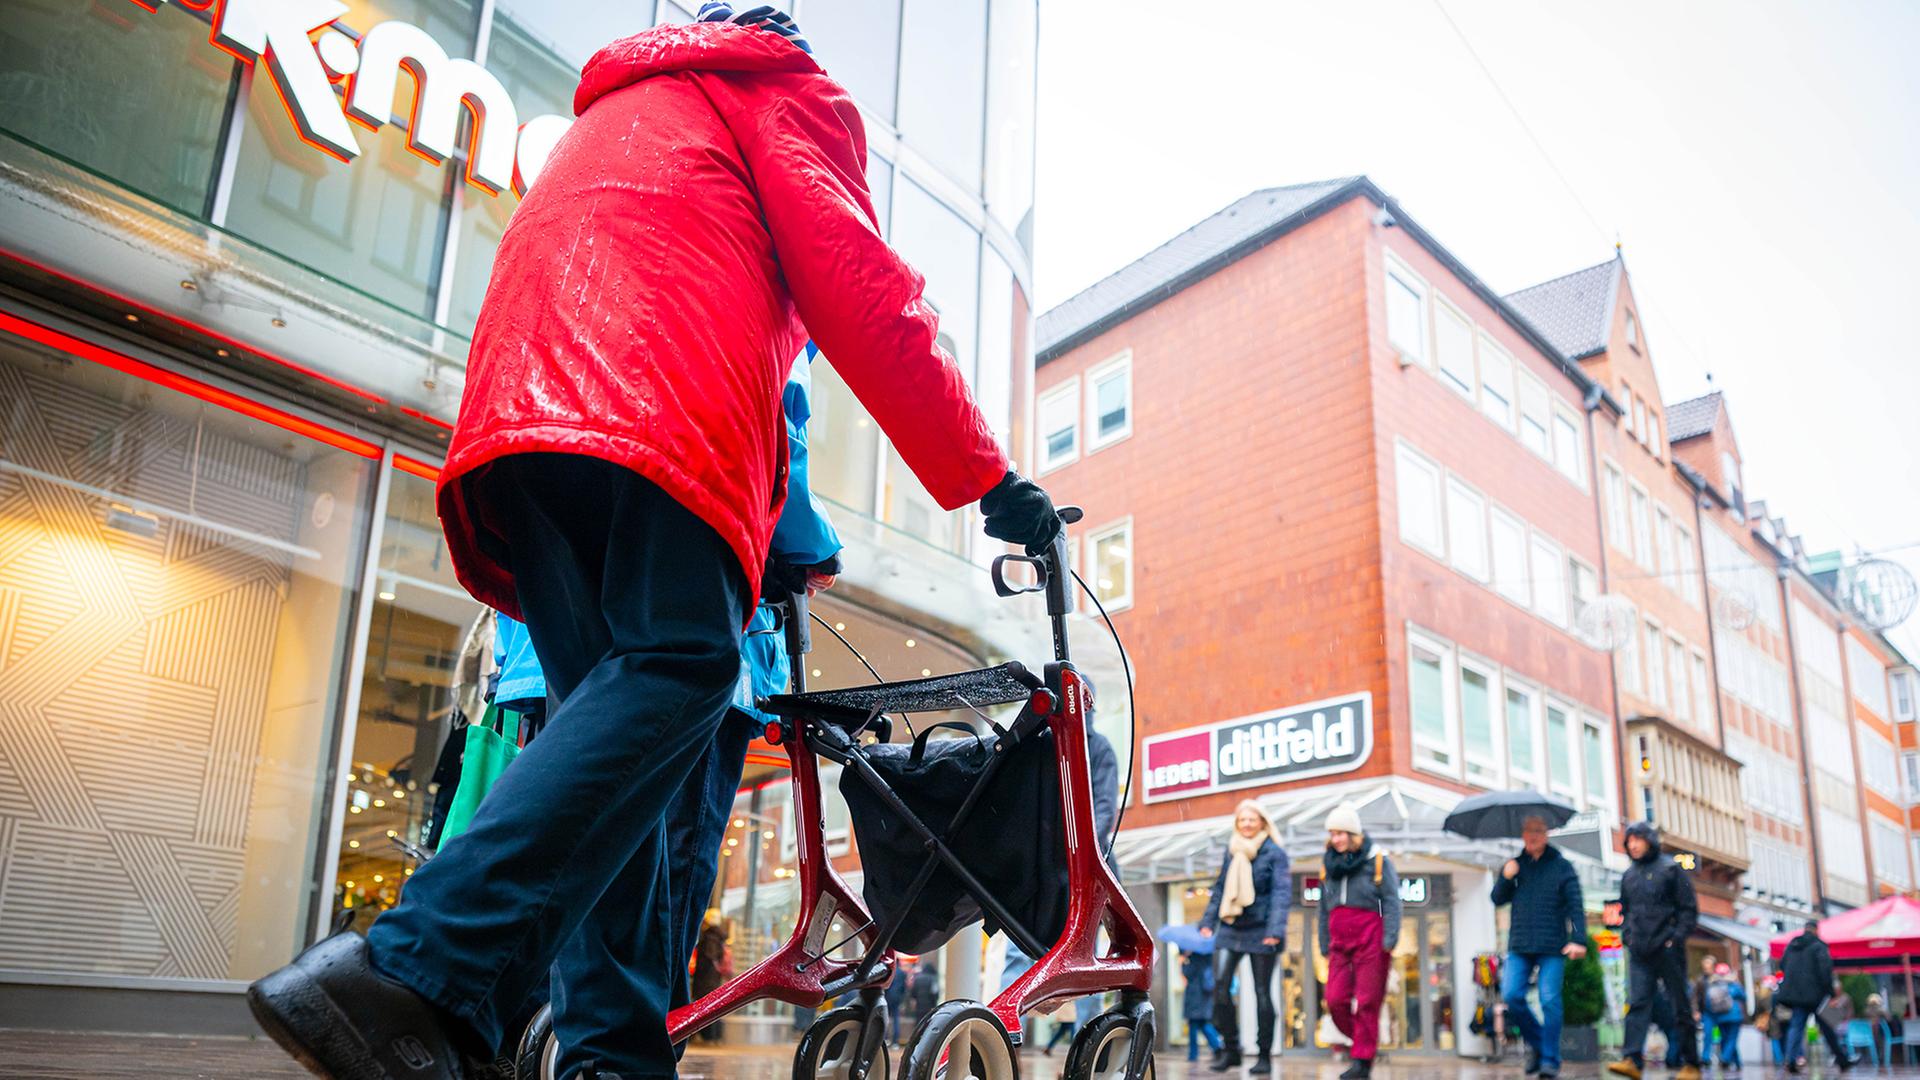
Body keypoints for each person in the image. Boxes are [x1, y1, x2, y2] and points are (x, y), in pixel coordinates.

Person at [245, 4, 1061, 1078]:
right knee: (684, 666)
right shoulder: (778, 93)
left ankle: (610, 1059)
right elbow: (863, 289)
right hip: (655, 405)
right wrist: (988, 478)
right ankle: (412, 965)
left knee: (616, 769)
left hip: (523, 418)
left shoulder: (626, 107)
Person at [1199, 800, 1292, 1075]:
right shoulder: (1232, 850)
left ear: (1262, 822)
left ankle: (1264, 1055)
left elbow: (1281, 893)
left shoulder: (1275, 853)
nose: (1247, 824)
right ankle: (1231, 1050)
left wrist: (1275, 931)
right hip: (1232, 926)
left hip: (1262, 930)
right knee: (1220, 987)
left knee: (1262, 993)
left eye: (1252, 819)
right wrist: (1208, 921)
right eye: (1242, 820)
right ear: (1237, 824)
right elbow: (1220, 888)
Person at [1490, 814, 1586, 1079]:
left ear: (1546, 834)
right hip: (1520, 944)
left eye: (1538, 831)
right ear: (1522, 835)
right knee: (1511, 996)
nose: (1532, 836)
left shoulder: (1562, 867)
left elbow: (1575, 905)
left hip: (1552, 946)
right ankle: (1540, 1045)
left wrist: (1579, 939)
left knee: (1549, 1000)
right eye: (1528, 831)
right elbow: (1497, 899)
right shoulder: (1515, 865)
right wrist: (1506, 877)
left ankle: (1549, 1061)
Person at [1607, 821, 1702, 1080]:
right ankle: (1631, 1059)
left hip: (1668, 948)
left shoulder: (1671, 869)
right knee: (1637, 1003)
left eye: (1638, 839)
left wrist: (1675, 938)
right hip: (1639, 950)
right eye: (1629, 841)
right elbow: (1625, 910)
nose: (1633, 845)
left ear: (1649, 840)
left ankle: (1691, 1064)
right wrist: (1628, 936)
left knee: (1680, 1004)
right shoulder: (1629, 875)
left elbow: (1688, 909)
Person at [1319, 803, 1400, 1080]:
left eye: (1341, 833)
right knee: (1334, 999)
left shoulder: (1377, 860)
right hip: (1338, 941)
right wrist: (1323, 941)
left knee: (1367, 1001)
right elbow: (1323, 908)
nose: (1336, 839)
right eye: (1333, 833)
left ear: (1354, 834)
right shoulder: (1328, 864)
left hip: (1370, 938)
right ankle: (1365, 1044)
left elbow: (1392, 900)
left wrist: (1390, 938)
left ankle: (1362, 1062)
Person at [1777, 921, 1854, 1075]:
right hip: (1816, 996)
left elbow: (1783, 965)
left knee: (1796, 1027)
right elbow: (1825, 971)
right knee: (1827, 1027)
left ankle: (1790, 1060)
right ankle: (1842, 1060)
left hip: (1796, 996)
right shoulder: (1819, 946)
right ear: (1816, 930)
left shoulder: (1792, 946)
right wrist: (1830, 993)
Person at [691, 911, 730, 1044]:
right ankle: (713, 1035)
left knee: (704, 1005)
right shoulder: (719, 936)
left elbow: (710, 955)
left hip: (706, 978)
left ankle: (709, 1036)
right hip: (713, 977)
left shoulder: (710, 937)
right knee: (712, 1004)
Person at [1700, 962, 1745, 1069]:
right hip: (1734, 1016)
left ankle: (1736, 1062)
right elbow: (1744, 996)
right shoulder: (1733, 985)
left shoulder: (1713, 984)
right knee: (1732, 1039)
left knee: (1725, 1038)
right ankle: (1725, 1058)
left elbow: (1707, 1002)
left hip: (1720, 1016)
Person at [1183, 949, 1223, 1063]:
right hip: (1204, 996)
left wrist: (1185, 960)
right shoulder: (1207, 955)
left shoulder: (1194, 957)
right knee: (1203, 1024)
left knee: (1194, 1025)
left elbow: (1188, 973)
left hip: (1195, 995)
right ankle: (1218, 1046)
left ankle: (1193, 1055)